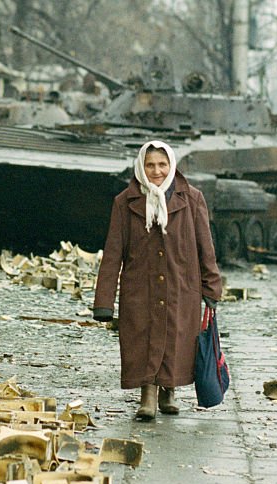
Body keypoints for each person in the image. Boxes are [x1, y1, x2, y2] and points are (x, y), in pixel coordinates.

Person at [92, 140, 222, 421]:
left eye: (162, 164)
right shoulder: (125, 202)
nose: (156, 171)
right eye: (150, 165)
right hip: (140, 286)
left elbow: (205, 247)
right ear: (141, 166)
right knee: (142, 337)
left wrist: (212, 286)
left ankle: (169, 390)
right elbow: (113, 252)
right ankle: (147, 395)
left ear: (172, 165)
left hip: (181, 283)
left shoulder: (192, 199)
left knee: (176, 336)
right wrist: (104, 301)